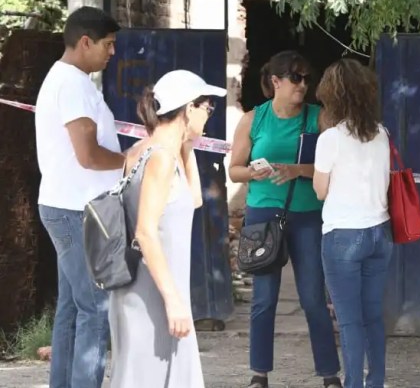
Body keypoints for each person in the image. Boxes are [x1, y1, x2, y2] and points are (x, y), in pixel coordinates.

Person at [228, 50, 342, 388]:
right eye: (296, 78)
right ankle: (259, 374)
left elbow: (337, 167)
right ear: (276, 81)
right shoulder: (254, 119)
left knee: (313, 298)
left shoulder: (319, 118)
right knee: (264, 298)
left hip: (308, 215)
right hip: (263, 214)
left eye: (307, 78)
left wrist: (298, 170)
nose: (303, 85)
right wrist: (253, 172)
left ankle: (330, 375)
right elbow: (234, 170)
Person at [108, 70, 226, 388]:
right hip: (154, 295)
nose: (209, 113)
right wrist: (173, 300)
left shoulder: (146, 150)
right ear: (189, 108)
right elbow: (145, 231)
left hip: (153, 290)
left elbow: (194, 199)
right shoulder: (159, 159)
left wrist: (186, 144)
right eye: (207, 106)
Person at [34, 6, 123, 388]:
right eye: (108, 44)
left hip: (71, 206)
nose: (112, 52)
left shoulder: (72, 80)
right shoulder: (71, 84)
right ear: (85, 42)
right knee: (96, 310)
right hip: (74, 211)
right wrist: (130, 159)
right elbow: (88, 156)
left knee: (72, 309)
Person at [313, 59, 392, 388]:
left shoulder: (330, 138)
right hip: (379, 233)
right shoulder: (382, 134)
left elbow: (320, 191)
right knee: (372, 317)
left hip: (343, 235)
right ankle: (375, 382)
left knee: (349, 322)